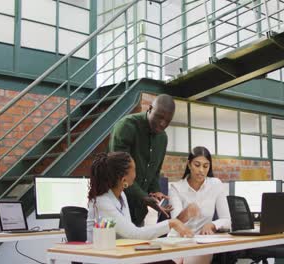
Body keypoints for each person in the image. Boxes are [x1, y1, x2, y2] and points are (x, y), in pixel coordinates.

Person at [86, 152, 193, 241]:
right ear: (124, 180)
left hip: (119, 254)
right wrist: (171, 223)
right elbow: (133, 234)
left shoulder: (121, 195)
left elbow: (128, 234)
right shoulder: (102, 202)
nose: (136, 174)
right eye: (134, 170)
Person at [109, 94, 175, 226]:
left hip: (139, 213)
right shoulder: (127, 126)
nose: (162, 123)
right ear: (150, 109)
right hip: (115, 208)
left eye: (167, 121)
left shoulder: (163, 138)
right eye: (159, 117)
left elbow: (154, 172)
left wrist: (155, 192)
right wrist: (144, 197)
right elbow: (119, 172)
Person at [168, 146, 231, 264]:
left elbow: (227, 220)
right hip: (177, 240)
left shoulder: (216, 185)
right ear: (189, 164)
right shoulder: (176, 188)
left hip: (202, 242)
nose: (201, 170)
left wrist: (212, 225)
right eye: (197, 165)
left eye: (205, 166)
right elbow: (175, 224)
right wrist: (186, 213)